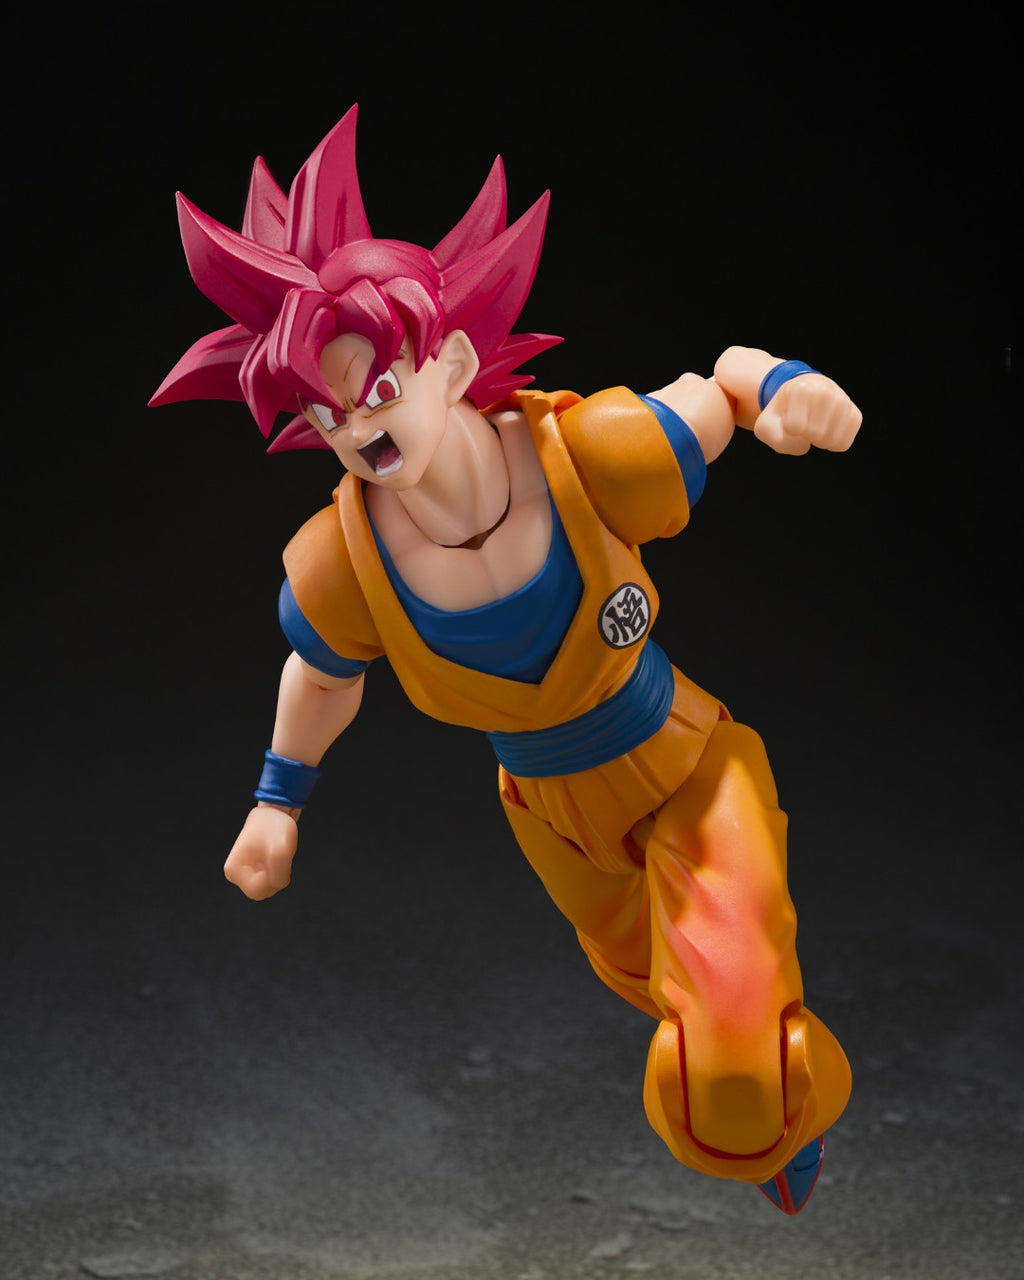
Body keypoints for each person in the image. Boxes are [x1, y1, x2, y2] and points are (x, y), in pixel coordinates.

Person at [152, 105, 861, 1215]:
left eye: (377, 389)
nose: (359, 429)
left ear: (451, 361)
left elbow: (719, 386)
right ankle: (767, 1097)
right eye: (329, 414)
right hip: (550, 814)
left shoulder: (594, 459)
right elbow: (323, 674)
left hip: (683, 763)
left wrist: (778, 384)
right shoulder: (346, 561)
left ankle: (772, 1103)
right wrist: (276, 800)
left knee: (727, 1059)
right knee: (677, 1009)